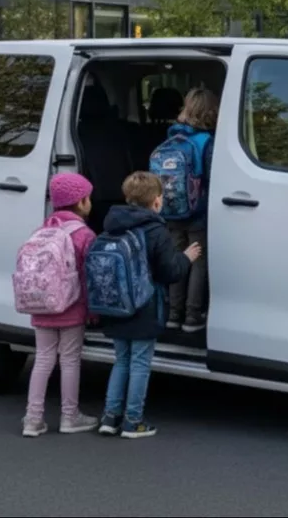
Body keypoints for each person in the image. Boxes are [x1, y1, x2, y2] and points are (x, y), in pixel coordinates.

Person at [98, 171, 201, 439]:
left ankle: (110, 417)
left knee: (121, 361)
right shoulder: (157, 231)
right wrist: (186, 258)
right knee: (140, 363)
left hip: (116, 306)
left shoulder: (111, 225)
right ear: (157, 201)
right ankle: (133, 421)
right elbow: (170, 271)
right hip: (145, 306)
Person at [22, 173, 100, 438]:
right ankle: (70, 417)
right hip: (71, 308)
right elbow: (88, 277)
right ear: (81, 202)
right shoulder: (84, 235)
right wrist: (92, 311)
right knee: (69, 361)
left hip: (41, 307)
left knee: (42, 359)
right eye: (88, 197)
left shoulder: (41, 231)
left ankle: (32, 419)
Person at [162, 87, 218, 333]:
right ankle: (193, 316)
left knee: (177, 259)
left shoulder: (171, 137)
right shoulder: (206, 141)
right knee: (198, 261)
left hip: (171, 211)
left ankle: (174, 314)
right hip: (197, 212)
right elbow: (211, 177)